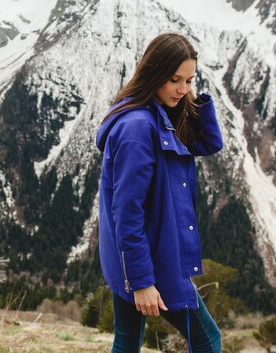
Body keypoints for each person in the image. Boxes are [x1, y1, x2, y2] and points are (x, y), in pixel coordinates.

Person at [96, 33, 223, 353]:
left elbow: (208, 143)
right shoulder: (138, 129)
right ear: (154, 74)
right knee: (208, 341)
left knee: (126, 342)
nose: (182, 89)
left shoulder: (158, 113)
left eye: (189, 80)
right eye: (174, 79)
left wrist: (190, 98)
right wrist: (141, 282)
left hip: (133, 257)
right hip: (151, 261)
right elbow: (127, 212)